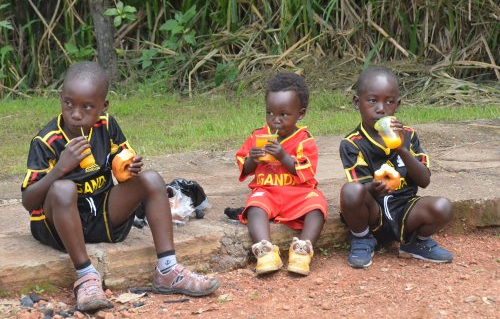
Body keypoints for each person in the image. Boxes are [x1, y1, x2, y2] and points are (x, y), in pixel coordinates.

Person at [21, 61, 220, 312]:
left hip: (103, 216)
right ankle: (86, 276)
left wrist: (130, 167)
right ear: (61, 98)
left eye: (87, 107)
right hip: (60, 226)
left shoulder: (106, 126)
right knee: (63, 189)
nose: (76, 113)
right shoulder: (47, 140)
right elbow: (29, 201)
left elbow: (123, 160)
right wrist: (61, 168)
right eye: (68, 103)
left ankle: (168, 269)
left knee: (151, 179)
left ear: (103, 107)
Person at [339, 66, 453, 269]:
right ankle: (362, 239)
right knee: (350, 191)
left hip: (405, 209)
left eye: (389, 102)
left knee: (443, 206)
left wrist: (402, 149)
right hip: (373, 212)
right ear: (357, 102)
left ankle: (416, 243)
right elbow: (359, 189)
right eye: (373, 100)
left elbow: (424, 181)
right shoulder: (352, 143)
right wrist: (373, 187)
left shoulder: (407, 135)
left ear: (397, 105)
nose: (381, 108)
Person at [235, 72, 328, 276]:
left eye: (284, 115)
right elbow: (244, 166)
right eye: (270, 113)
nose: (275, 120)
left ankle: (303, 249)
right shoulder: (258, 136)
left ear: (300, 114)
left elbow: (307, 170)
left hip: (298, 193)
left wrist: (283, 156)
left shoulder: (304, 140)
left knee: (317, 206)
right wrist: (253, 158)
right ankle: (265, 250)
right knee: (254, 207)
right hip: (267, 191)